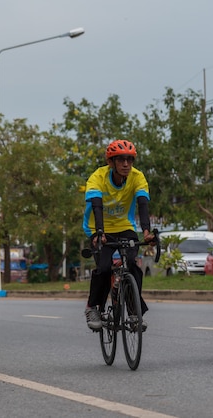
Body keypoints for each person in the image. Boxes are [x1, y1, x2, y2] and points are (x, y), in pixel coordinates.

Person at [82, 139, 156, 331]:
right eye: (121, 160)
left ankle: (133, 312)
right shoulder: (97, 177)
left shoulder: (137, 177)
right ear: (111, 162)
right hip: (98, 228)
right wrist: (99, 233)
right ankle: (92, 307)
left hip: (125, 226)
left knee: (132, 265)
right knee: (104, 268)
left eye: (129, 160)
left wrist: (146, 232)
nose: (126, 165)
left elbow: (143, 204)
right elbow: (96, 206)